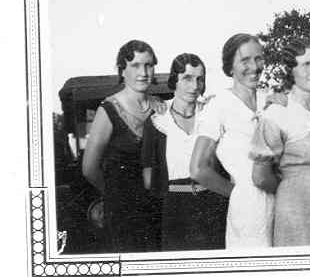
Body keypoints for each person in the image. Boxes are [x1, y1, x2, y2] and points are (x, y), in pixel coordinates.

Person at [250, 38, 310, 246]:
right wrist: (292, 187)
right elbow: (260, 177)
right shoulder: (277, 112)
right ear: (291, 70)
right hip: (296, 212)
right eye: (306, 64)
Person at [189, 34, 276, 248]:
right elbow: (198, 169)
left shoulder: (270, 100)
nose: (254, 67)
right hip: (248, 210)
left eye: (258, 58)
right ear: (230, 67)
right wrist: (238, 193)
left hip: (282, 201)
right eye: (245, 60)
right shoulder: (219, 105)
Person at [82, 39, 163, 252]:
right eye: (135, 65)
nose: (143, 72)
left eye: (148, 65)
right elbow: (89, 169)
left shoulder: (161, 107)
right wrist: (115, 194)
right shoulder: (108, 110)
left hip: (158, 210)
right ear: (122, 70)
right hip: (123, 214)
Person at [141, 53, 228, 251]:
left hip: (213, 205)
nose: (195, 86)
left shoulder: (211, 114)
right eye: (187, 78)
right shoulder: (157, 120)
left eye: (200, 79)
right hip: (175, 210)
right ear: (174, 80)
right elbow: (148, 180)